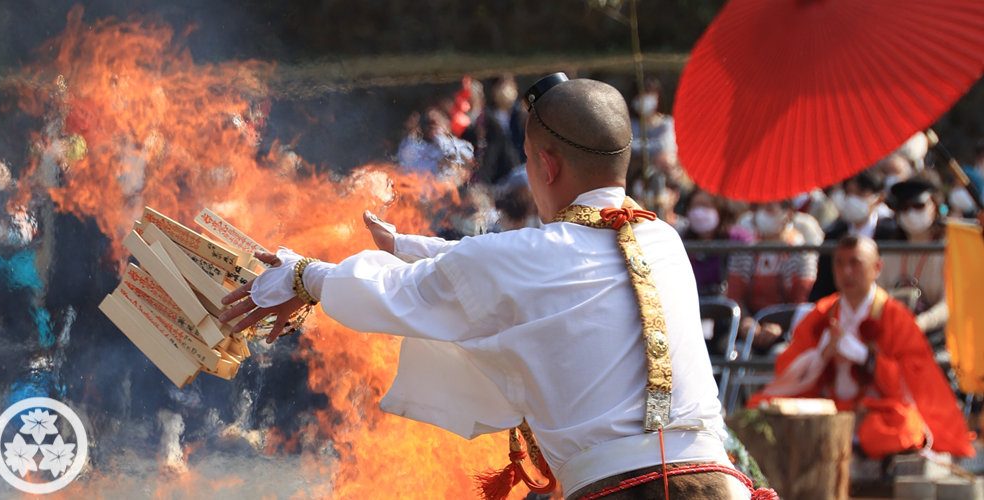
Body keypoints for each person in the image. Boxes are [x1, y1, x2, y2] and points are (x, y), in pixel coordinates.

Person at [220, 74, 770, 499]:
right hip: (721, 484)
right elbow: (521, 266)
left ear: (547, 165)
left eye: (529, 161)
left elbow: (407, 294)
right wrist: (412, 247)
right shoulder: (664, 242)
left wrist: (302, 273)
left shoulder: (530, 257)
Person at [750, 235, 974, 460]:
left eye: (855, 263)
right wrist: (819, 357)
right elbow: (785, 370)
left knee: (904, 425)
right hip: (830, 407)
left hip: (873, 412)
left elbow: (912, 384)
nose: (846, 272)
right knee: (759, 407)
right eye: (839, 263)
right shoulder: (822, 313)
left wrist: (866, 356)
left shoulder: (895, 317)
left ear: (877, 268)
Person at [727, 201, 817, 352]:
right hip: (750, 329)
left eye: (769, 209)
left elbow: (802, 300)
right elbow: (735, 295)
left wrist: (781, 326)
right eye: (758, 208)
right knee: (736, 352)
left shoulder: (801, 253)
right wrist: (745, 321)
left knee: (779, 354)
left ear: (788, 213)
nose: (762, 214)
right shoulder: (744, 252)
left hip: (787, 331)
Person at [809, 169, 899, 302]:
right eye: (848, 193)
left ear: (879, 198)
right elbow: (821, 286)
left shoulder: (891, 233)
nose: (853, 199)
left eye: (860, 193)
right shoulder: (833, 235)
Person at [879, 175, 948, 339]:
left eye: (919, 206)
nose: (911, 213)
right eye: (904, 208)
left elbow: (951, 304)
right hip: (895, 334)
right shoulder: (890, 251)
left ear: (935, 206)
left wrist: (920, 323)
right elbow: (878, 296)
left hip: (940, 338)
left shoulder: (947, 248)